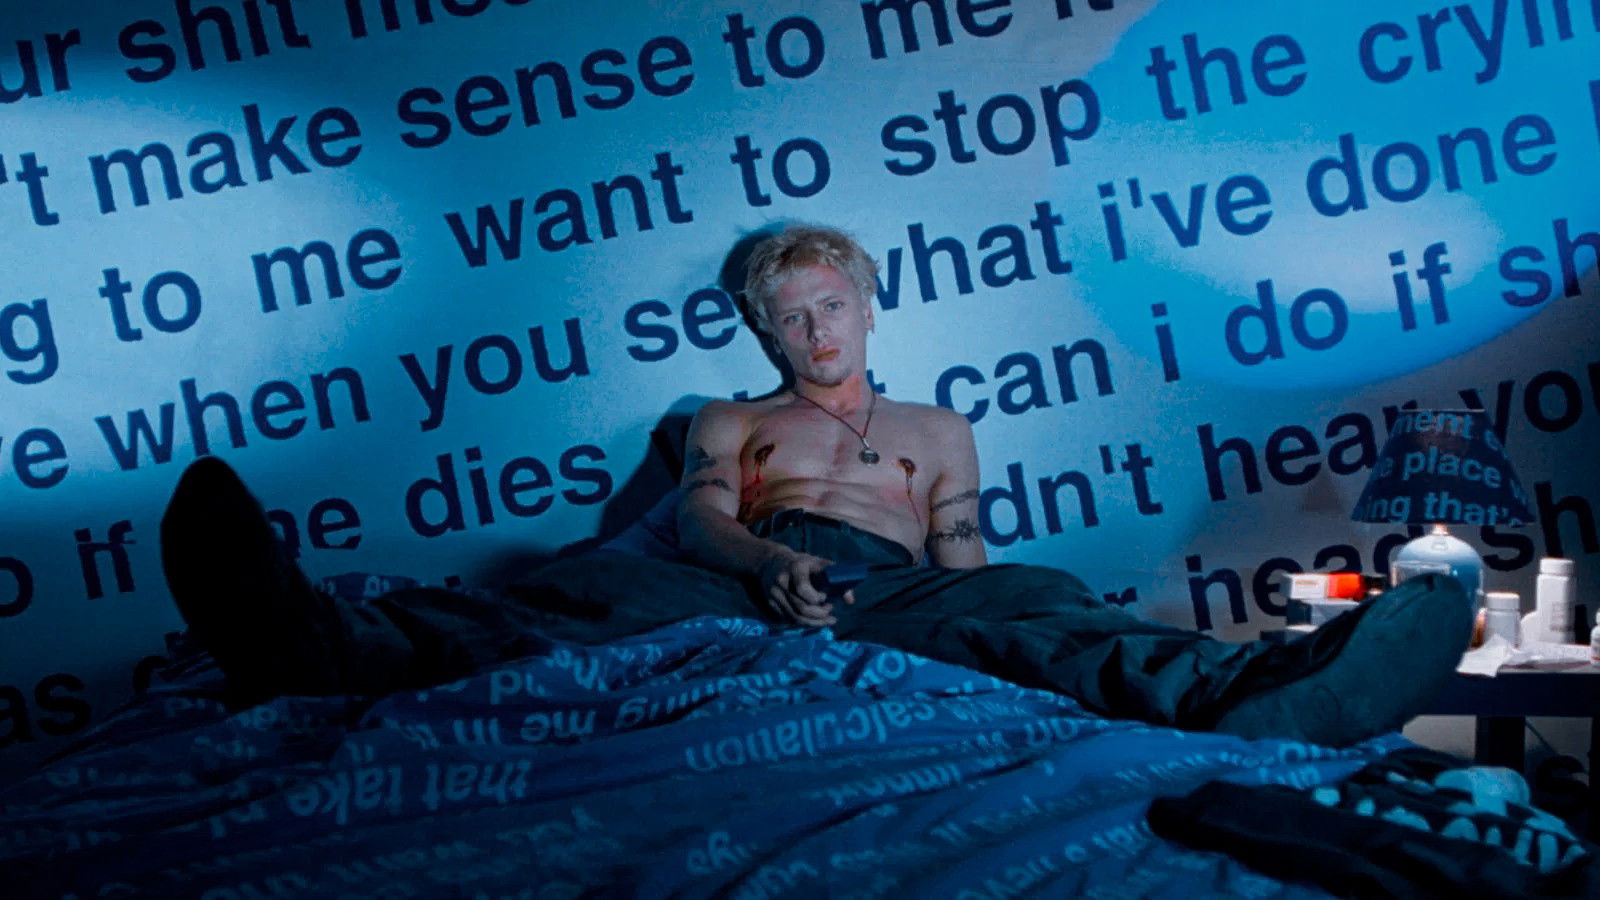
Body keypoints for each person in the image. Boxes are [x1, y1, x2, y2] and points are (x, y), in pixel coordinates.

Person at [160, 224, 1471, 747]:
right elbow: (699, 517)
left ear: (866, 303)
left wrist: (996, 612)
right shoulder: (727, 419)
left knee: (1043, 606)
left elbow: (962, 562)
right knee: (577, 591)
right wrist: (765, 564)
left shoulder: (940, 429)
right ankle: (318, 644)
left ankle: (1272, 693)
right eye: (786, 315)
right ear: (763, 329)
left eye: (828, 304)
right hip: (733, 577)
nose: (812, 330)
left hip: (894, 592)